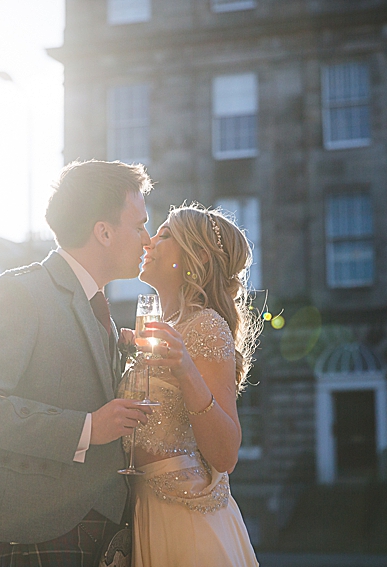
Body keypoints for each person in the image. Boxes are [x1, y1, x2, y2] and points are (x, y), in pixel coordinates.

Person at [0, 159, 154, 567]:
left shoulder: (102, 310)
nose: (147, 239)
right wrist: (88, 428)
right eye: (140, 224)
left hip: (109, 534)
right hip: (39, 532)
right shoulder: (18, 294)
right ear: (104, 232)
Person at [121, 203, 261, 566]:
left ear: (196, 256)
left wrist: (186, 370)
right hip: (140, 509)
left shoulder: (206, 325)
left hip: (186, 519)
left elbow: (226, 454)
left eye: (165, 234)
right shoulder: (156, 328)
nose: (150, 241)